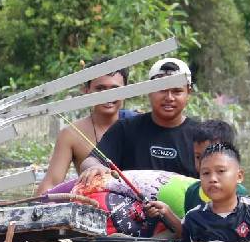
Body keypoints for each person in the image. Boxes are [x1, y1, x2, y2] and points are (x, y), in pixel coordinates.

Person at [78, 57, 200, 188]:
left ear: (188, 92)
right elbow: (91, 160)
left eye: (177, 91)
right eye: (162, 89)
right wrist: (94, 167)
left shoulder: (202, 136)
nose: (169, 97)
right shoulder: (125, 129)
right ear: (149, 91)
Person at [35, 59, 136, 195]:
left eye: (114, 89)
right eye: (100, 89)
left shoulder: (140, 124)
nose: (107, 95)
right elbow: (51, 184)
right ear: (86, 90)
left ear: (126, 90)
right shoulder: (71, 134)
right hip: (93, 207)